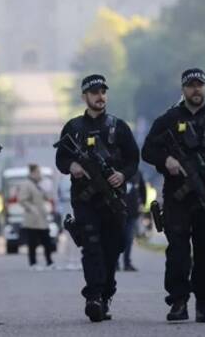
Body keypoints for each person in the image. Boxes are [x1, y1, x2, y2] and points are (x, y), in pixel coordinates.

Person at [142, 68, 205, 323]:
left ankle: (204, 303)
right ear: (183, 89)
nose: (195, 90)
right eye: (191, 85)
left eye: (199, 85)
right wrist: (167, 160)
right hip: (177, 198)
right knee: (177, 251)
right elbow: (148, 150)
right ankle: (178, 302)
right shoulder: (168, 119)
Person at [55, 74, 140, 322]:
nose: (99, 96)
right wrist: (72, 166)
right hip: (84, 200)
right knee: (91, 246)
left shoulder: (119, 126)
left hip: (114, 199)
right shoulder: (73, 128)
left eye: (103, 92)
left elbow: (133, 159)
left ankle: (104, 294)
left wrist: (121, 175)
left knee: (113, 248)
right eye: (94, 92)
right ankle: (93, 297)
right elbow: (60, 158)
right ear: (84, 97)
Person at [18, 164, 54, 270]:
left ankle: (50, 262)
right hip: (32, 219)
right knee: (32, 243)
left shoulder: (38, 184)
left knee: (47, 241)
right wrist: (31, 208)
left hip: (42, 218)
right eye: (38, 172)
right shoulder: (27, 184)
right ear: (32, 173)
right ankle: (33, 263)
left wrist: (46, 188)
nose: (40, 174)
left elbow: (47, 197)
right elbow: (22, 199)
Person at [120, 170, 146, 271]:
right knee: (117, 237)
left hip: (133, 212)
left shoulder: (137, 173)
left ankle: (127, 263)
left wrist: (142, 203)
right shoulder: (117, 171)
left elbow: (143, 189)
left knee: (129, 238)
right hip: (119, 211)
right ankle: (115, 263)